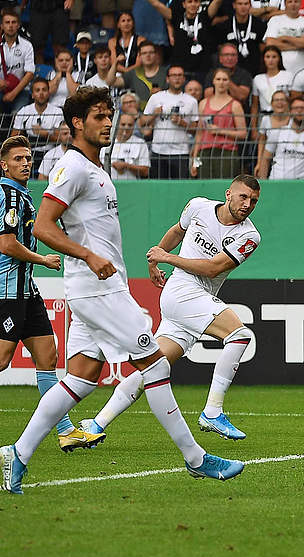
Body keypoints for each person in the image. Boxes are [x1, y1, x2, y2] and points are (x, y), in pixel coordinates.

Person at [2, 87, 244, 494]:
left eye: (109, 114)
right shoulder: (73, 167)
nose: (107, 122)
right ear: (77, 123)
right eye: (99, 115)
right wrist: (88, 256)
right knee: (156, 366)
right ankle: (197, 459)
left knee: (81, 378)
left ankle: (17, 454)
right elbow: (44, 226)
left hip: (99, 289)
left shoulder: (96, 168)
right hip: (98, 290)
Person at [83, 176, 264, 443]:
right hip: (182, 290)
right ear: (228, 194)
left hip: (194, 296)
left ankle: (95, 425)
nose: (247, 204)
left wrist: (167, 258)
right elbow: (177, 231)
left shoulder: (249, 236)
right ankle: (213, 411)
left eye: (254, 201)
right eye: (243, 197)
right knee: (239, 335)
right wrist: (154, 260)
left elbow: (214, 267)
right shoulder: (198, 206)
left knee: (154, 367)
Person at [0, 135, 98, 452]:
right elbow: (7, 245)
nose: (25, 163)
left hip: (26, 290)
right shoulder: (9, 196)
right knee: (2, 360)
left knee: (48, 356)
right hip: (8, 291)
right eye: (18, 159)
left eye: (28, 158)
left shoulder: (23, 194)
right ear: (4, 165)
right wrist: (43, 259)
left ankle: (66, 430)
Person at [259, 96, 304, 179]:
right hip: (276, 183)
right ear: (290, 111)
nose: (299, 111)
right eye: (296, 108)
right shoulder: (277, 133)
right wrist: (263, 185)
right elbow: (265, 160)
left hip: (300, 186)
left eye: (302, 108)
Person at [264, 0, 304, 74]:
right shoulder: (274, 20)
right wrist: (300, 42)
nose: (293, 4)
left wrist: (285, 38)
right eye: (290, 2)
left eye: (296, 1)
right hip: (279, 71)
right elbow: (270, 44)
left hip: (302, 71)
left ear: (300, 4)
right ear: (285, 4)